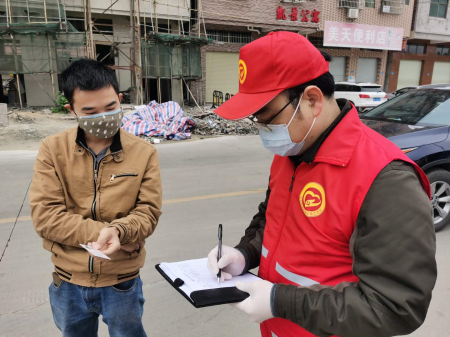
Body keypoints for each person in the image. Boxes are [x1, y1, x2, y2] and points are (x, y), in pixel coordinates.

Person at [206, 31, 437, 337]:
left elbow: (396, 306)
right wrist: (244, 254)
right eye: (255, 120)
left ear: (312, 99)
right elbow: (271, 218)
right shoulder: (291, 150)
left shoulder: (386, 178)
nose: (262, 129)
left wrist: (280, 302)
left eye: (267, 116)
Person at [29, 59, 162, 337]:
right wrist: (108, 232)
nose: (103, 116)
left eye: (111, 107)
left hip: (121, 282)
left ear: (121, 99)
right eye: (90, 111)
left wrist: (122, 231)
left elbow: (148, 213)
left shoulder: (144, 152)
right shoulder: (53, 150)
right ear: (72, 110)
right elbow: (46, 218)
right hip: (68, 281)